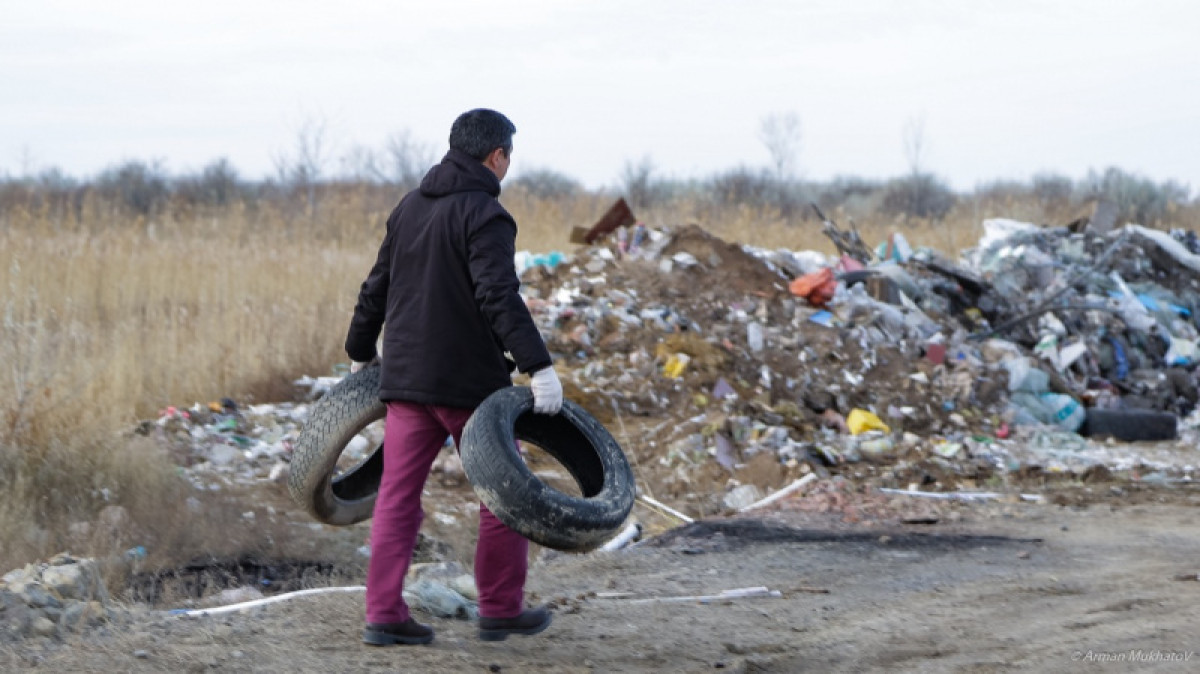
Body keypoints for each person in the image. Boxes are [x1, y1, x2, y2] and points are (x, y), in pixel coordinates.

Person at [344, 108, 563, 646]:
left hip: (404, 382)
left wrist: (358, 348)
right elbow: (498, 295)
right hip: (470, 385)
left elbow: (378, 283)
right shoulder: (485, 214)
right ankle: (500, 608)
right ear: (497, 156)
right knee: (502, 493)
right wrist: (538, 366)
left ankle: (383, 615)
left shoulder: (409, 207)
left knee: (397, 497)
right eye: (509, 158)